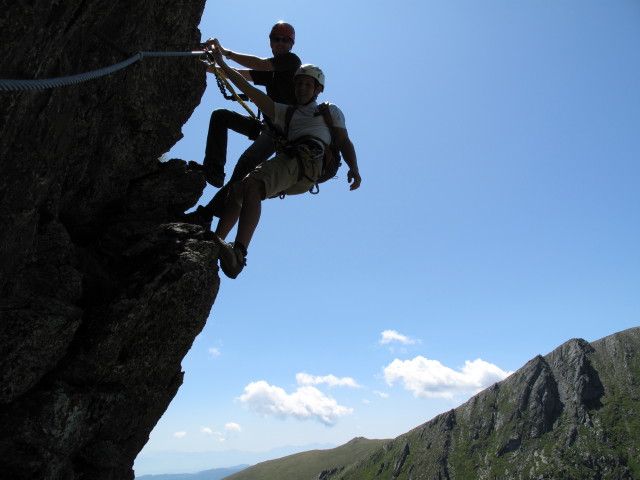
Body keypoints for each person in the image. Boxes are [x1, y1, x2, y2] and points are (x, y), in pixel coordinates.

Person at [206, 45, 362, 279]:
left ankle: (238, 254)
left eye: (308, 84)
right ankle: (215, 243)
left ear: (318, 89)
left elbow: (343, 140)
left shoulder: (328, 110)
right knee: (238, 189)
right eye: (299, 84)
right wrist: (222, 65)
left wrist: (354, 168)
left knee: (253, 185)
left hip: (306, 158)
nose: (302, 88)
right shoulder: (285, 112)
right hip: (296, 168)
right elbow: (247, 87)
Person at [194, 22, 301, 221]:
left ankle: (208, 213)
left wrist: (224, 52)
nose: (280, 43)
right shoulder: (271, 73)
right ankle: (214, 169)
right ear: (271, 42)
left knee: (245, 165)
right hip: (267, 127)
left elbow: (261, 64)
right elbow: (239, 75)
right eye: (276, 39)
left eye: (285, 40)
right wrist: (206, 66)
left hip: (280, 132)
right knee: (221, 116)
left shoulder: (292, 62)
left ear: (291, 44)